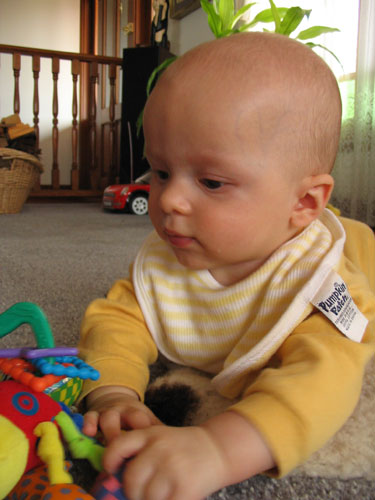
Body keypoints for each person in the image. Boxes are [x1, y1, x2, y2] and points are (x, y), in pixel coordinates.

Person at [78, 32, 375, 500]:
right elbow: (116, 319)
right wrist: (114, 391)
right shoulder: (166, 261)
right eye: (160, 171)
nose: (170, 199)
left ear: (303, 202)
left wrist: (220, 448)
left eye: (211, 182)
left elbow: (328, 376)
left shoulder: (320, 280)